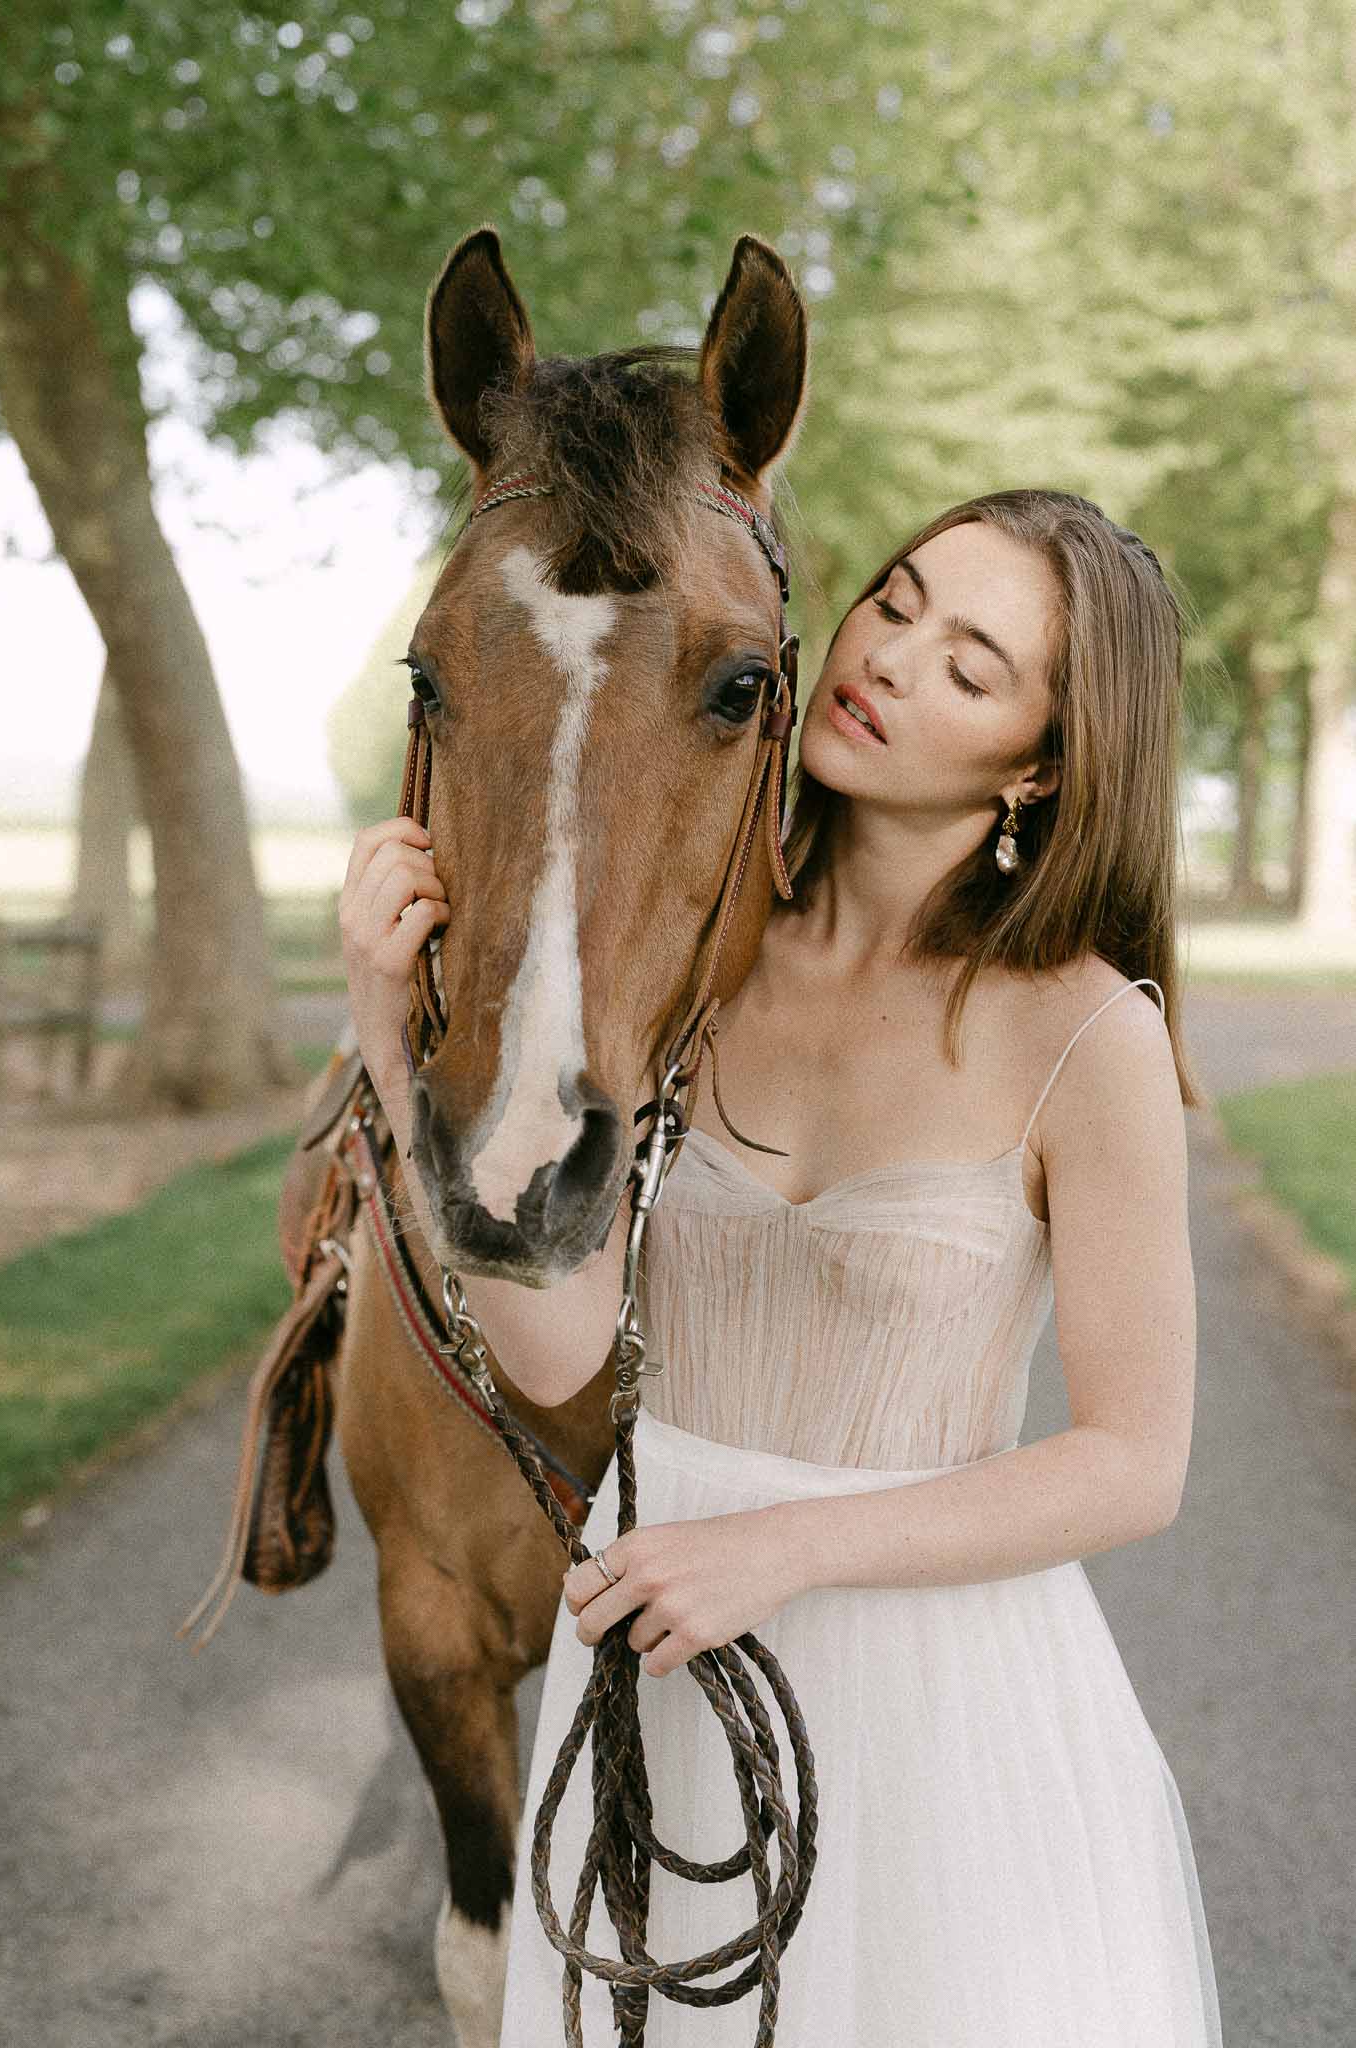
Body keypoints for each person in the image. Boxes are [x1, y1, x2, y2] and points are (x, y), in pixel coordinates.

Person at [340, 487, 1224, 2045]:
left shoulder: (1090, 1032)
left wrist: (782, 1548)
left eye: (971, 663)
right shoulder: (698, 968)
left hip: (934, 1701)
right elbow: (554, 1354)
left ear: (1039, 762)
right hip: (661, 1674)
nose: (889, 658)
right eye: (896, 598)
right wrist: (382, 1025)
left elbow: (1130, 1465)